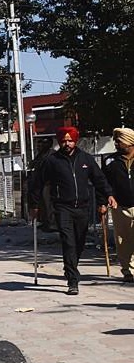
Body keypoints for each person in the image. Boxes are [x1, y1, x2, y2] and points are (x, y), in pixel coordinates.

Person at [29, 126, 116, 295]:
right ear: (59, 142)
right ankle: (72, 279)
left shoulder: (86, 159)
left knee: (79, 241)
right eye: (63, 141)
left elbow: (99, 181)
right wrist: (34, 205)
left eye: (70, 140)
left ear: (75, 141)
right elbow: (37, 183)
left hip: (83, 207)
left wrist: (106, 197)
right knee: (68, 242)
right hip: (62, 207)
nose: (67, 143)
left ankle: (71, 265)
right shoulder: (52, 161)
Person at [104, 127, 134, 282]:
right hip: (120, 206)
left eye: (119, 141)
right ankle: (127, 270)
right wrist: (107, 197)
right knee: (123, 240)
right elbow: (104, 183)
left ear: (129, 142)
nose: (116, 143)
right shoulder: (110, 161)